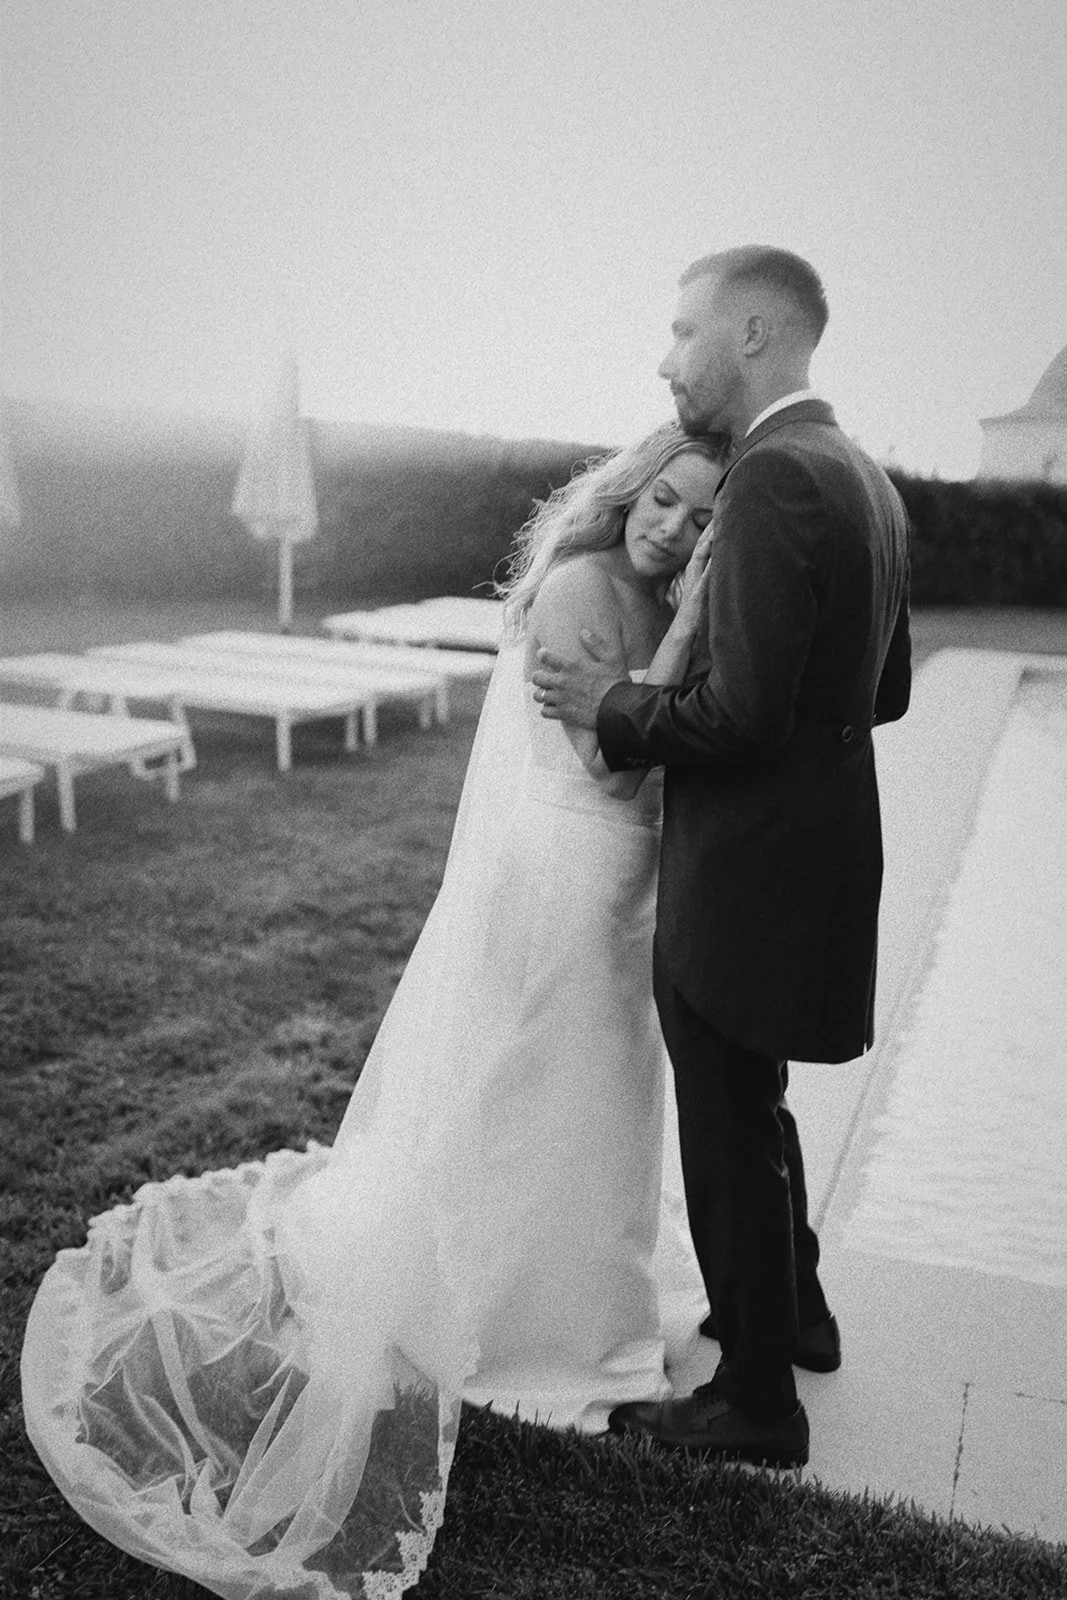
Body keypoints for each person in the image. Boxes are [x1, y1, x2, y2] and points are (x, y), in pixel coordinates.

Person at [20, 422, 729, 1600]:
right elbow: (610, 764)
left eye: (704, 520)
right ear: (628, 493)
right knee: (531, 1081)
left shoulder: (652, 590)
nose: (675, 530)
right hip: (565, 872)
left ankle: (569, 1282)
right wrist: (696, 616)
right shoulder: (576, 589)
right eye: (664, 503)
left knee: (591, 1092)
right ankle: (504, 1314)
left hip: (624, 886)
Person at [533, 246, 912, 1469]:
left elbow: (737, 717)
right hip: (814, 846)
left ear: (751, 336)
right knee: (755, 1102)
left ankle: (754, 1401)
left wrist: (608, 703)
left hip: (742, 863)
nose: (666, 355)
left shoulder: (773, 479)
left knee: (725, 1114)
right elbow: (885, 688)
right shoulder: (861, 475)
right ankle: (789, 1315)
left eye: (684, 328)